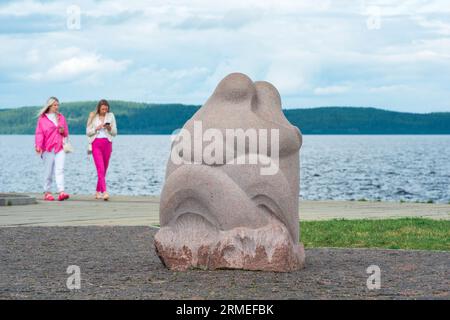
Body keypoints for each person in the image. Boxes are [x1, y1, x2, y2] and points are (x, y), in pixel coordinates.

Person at [35, 97, 70, 201]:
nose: (57, 107)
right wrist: (38, 145)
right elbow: (39, 133)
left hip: (60, 147)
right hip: (48, 148)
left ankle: (61, 192)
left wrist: (62, 131)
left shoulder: (61, 117)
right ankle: (47, 192)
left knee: (60, 169)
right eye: (55, 105)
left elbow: (66, 133)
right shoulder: (42, 119)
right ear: (49, 106)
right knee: (48, 171)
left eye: (58, 105)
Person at [86, 99, 117, 200]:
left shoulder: (111, 116)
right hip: (96, 143)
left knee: (104, 169)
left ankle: (97, 191)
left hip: (107, 143)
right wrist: (96, 128)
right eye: (103, 109)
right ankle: (105, 192)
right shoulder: (93, 117)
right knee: (100, 168)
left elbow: (115, 132)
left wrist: (109, 128)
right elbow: (88, 132)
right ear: (99, 108)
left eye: (106, 109)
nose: (104, 110)